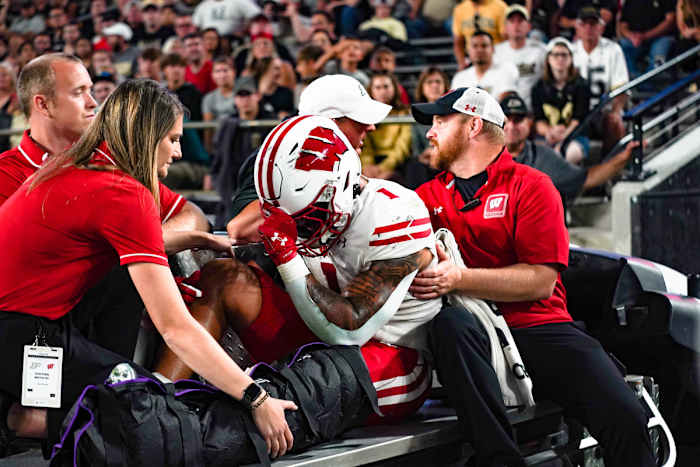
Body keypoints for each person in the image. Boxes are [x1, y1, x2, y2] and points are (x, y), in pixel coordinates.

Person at [0, 79, 297, 460]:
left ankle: (56, 396)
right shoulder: (123, 193)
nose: (177, 152)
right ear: (147, 136)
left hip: (27, 321)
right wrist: (255, 397)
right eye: (172, 139)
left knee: (125, 272)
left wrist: (202, 241)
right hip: (22, 333)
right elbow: (176, 328)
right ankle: (26, 417)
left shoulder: (75, 163)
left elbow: (139, 241)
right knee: (147, 411)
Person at [409, 86, 655, 467]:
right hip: (470, 335)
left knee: (627, 420)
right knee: (449, 323)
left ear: (474, 125)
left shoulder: (533, 186)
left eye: (441, 121)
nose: (430, 132)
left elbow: (540, 281)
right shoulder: (422, 197)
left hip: (538, 326)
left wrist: (459, 278)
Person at [157, 111, 441, 423]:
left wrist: (287, 255)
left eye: (307, 214)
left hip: (386, 352)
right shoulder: (298, 196)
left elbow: (349, 331)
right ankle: (157, 397)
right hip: (319, 333)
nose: (300, 225)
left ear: (342, 186)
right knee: (223, 276)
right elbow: (240, 229)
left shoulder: (394, 212)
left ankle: (191, 433)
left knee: (283, 399)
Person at [225, 74, 388, 242]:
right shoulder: (280, 157)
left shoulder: (323, 158)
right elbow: (241, 230)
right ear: (330, 124)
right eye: (359, 119)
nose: (371, 127)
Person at [502, 93, 637, 204]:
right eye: (506, 120)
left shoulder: (543, 158)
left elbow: (587, 178)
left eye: (518, 120)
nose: (512, 126)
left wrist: (623, 157)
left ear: (530, 122)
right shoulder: (481, 158)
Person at [572, 6, 629, 153]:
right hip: (576, 112)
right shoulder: (570, 51)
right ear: (577, 28)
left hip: (603, 110)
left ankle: (610, 166)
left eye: (593, 24)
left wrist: (616, 112)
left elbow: (621, 87)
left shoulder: (613, 49)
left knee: (615, 122)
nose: (588, 28)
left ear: (601, 28)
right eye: (584, 24)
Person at [531, 37, 590, 164]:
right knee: (534, 159)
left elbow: (578, 120)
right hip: (547, 136)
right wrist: (549, 132)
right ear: (548, 58)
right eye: (556, 55)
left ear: (571, 58)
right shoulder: (539, 87)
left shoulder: (581, 85)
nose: (560, 59)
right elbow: (539, 120)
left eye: (564, 55)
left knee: (560, 157)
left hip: (575, 136)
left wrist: (563, 137)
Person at [360, 71, 412, 180]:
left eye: (386, 87)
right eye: (378, 88)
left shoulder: (404, 113)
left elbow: (402, 147)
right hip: (370, 165)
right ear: (371, 91)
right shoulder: (365, 115)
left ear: (394, 88)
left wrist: (383, 168)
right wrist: (367, 165)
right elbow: (365, 145)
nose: (383, 91)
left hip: (397, 164)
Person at [493, 5, 546, 110]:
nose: (516, 25)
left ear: (529, 26)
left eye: (520, 21)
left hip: (534, 109)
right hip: (503, 110)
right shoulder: (495, 52)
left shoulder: (541, 50)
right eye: (512, 21)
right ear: (505, 27)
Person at [451, 31, 518, 100]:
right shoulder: (459, 78)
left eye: (484, 46)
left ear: (493, 49)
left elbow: (506, 101)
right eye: (475, 46)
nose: (479, 50)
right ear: (468, 50)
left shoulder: (505, 71)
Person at [618, 0, 677, 80]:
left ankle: (650, 80)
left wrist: (645, 36)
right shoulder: (630, 2)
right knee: (622, 45)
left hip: (661, 37)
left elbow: (670, 21)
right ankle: (635, 79)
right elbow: (622, 24)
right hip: (636, 39)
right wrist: (631, 36)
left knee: (660, 49)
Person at [452, 0, 508, 70]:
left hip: (496, 60)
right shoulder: (460, 9)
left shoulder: (500, 6)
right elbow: (458, 42)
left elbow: (507, 40)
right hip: (472, 61)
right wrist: (461, 63)